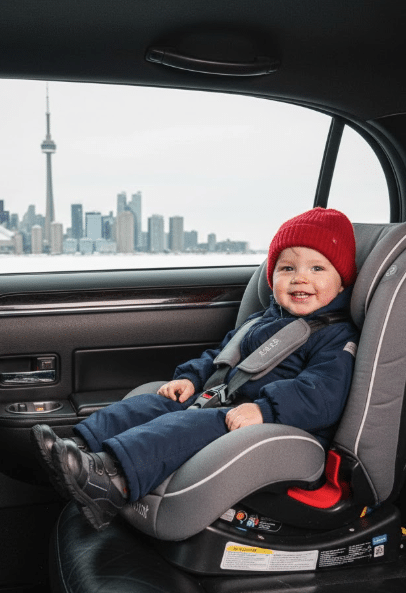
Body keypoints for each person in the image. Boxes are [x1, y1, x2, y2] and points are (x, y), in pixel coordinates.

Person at [31, 207, 359, 531]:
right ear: (272, 277)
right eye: (287, 268)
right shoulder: (262, 320)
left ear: (342, 283)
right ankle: (81, 449)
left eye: (317, 268)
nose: (301, 277)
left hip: (275, 427)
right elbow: (222, 355)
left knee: (184, 424)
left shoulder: (334, 336)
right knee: (154, 403)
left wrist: (264, 409)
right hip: (222, 400)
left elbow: (323, 395)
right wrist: (190, 378)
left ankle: (112, 480)